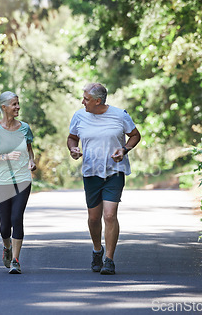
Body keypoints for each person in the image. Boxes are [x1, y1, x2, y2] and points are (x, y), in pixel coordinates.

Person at [67, 82, 141, 275]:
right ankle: (97, 250)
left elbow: (134, 135)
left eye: (86, 99)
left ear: (98, 101)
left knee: (109, 215)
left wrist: (124, 150)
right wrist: (73, 149)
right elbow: (72, 137)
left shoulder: (120, 115)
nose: (82, 101)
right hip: (91, 172)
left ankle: (109, 259)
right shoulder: (79, 116)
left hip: (114, 171)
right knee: (93, 218)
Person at [0, 91, 37, 274]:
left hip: (22, 179)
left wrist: (31, 160)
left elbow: (29, 149)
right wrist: (5, 156)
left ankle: (15, 260)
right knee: (5, 224)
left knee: (17, 218)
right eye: (14, 104)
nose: (18, 107)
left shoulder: (24, 128)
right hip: (0, 181)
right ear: (4, 107)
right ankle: (6, 248)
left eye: (18, 103)